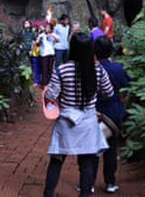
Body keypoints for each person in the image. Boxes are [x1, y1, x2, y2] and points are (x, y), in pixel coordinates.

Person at [43, 33, 114, 197]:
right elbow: (109, 92)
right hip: (88, 122)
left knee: (57, 160)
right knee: (86, 163)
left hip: (66, 122)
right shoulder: (98, 69)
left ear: (72, 48)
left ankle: (48, 193)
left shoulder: (61, 70)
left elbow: (51, 96)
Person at [93, 36, 131, 194]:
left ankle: (88, 183)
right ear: (111, 50)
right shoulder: (118, 69)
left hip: (94, 114)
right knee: (111, 149)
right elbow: (129, 85)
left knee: (92, 150)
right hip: (113, 115)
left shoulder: (91, 69)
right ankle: (110, 183)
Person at [21, 20, 39, 85]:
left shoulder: (32, 33)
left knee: (34, 65)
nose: (26, 24)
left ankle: (36, 80)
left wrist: (31, 50)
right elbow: (20, 41)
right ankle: (25, 79)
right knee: (24, 65)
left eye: (27, 23)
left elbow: (34, 42)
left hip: (31, 50)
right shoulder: (22, 32)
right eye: (25, 23)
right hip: (24, 50)